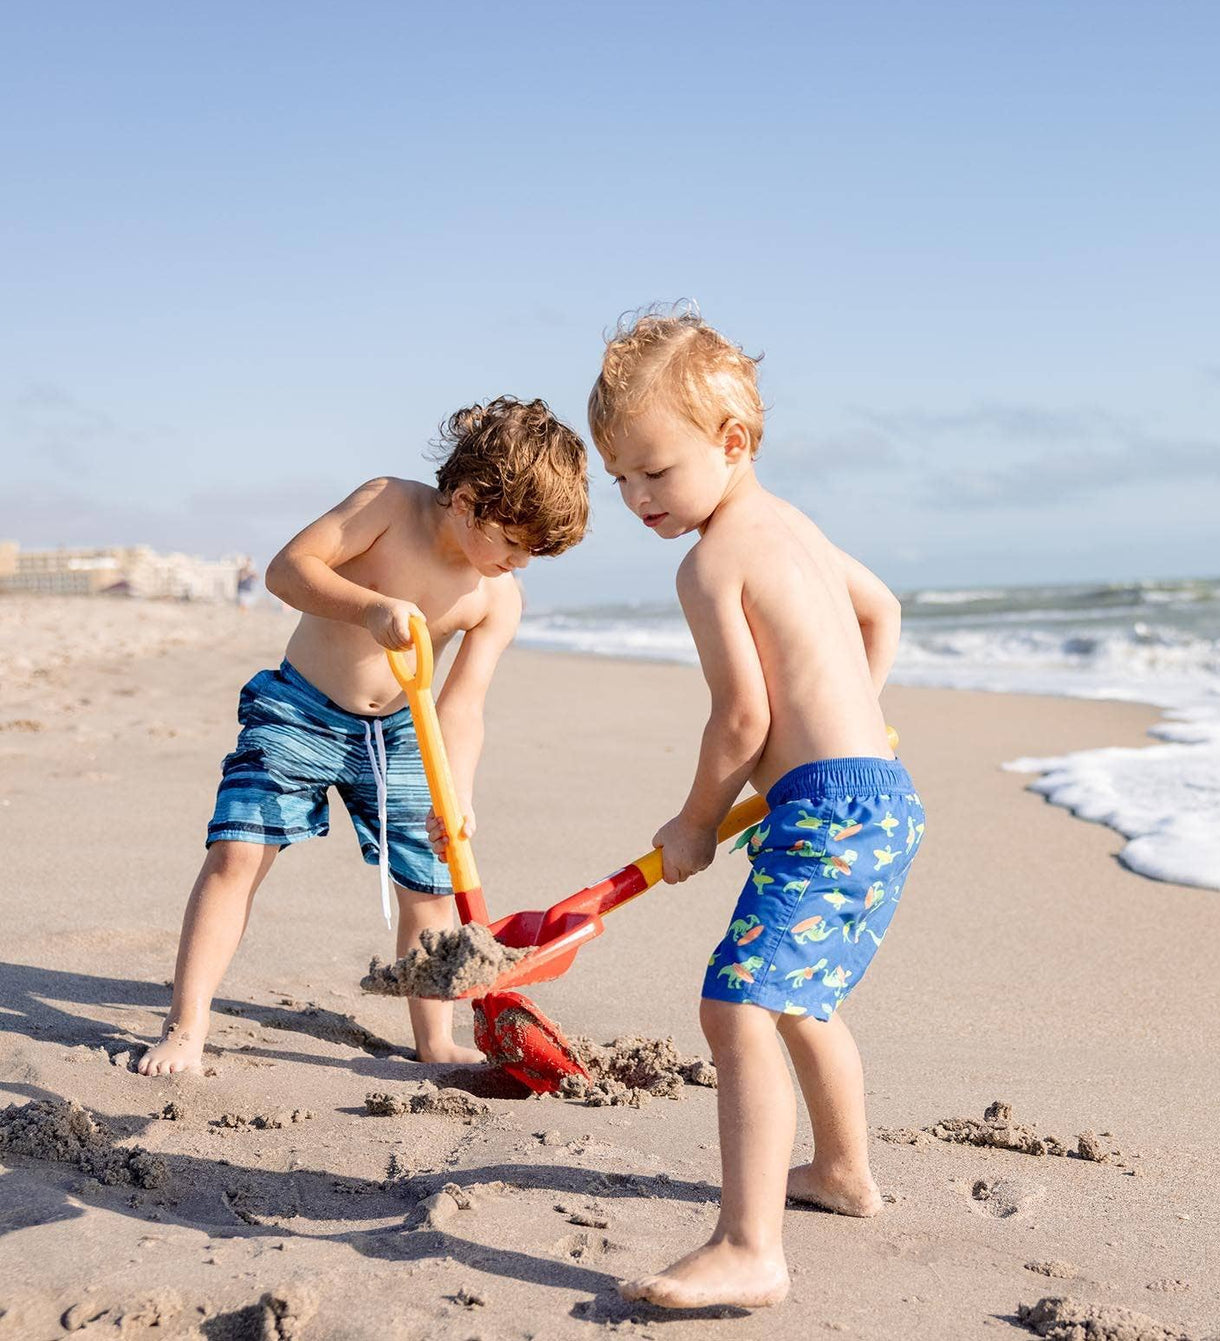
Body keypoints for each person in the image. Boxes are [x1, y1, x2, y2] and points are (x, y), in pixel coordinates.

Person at [587, 308, 925, 1308]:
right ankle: (841, 1173)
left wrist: (695, 820)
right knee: (796, 997)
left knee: (733, 1003)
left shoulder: (709, 562)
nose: (636, 497)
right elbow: (882, 610)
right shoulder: (799, 530)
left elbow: (739, 717)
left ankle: (749, 1248)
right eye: (619, 479)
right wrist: (855, 713)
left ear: (730, 443)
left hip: (824, 812)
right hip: (877, 799)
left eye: (654, 472)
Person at [139, 398, 588, 1076]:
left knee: (430, 887)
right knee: (237, 853)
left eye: (534, 553)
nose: (520, 564)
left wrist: (456, 795)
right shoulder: (386, 505)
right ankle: (187, 1024)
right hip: (301, 708)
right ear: (467, 500)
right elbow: (289, 569)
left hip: (404, 734)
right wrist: (370, 606)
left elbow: (462, 707)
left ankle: (434, 1039)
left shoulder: (496, 598)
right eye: (516, 543)